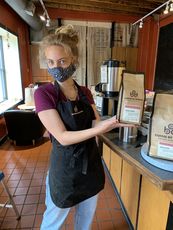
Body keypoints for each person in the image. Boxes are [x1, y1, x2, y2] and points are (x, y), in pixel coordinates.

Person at [34, 24, 133, 230]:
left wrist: (114, 119)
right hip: (64, 171)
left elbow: (95, 120)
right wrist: (100, 129)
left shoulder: (85, 92)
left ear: (73, 61)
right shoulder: (44, 94)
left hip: (90, 166)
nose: (56, 67)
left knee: (85, 221)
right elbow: (62, 137)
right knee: (53, 222)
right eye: (51, 62)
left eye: (62, 61)